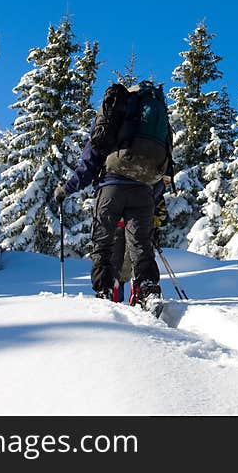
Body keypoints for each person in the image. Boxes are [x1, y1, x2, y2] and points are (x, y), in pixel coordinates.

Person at [54, 84, 169, 313]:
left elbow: (90, 160)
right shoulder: (156, 122)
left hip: (111, 187)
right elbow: (163, 169)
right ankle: (149, 291)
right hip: (144, 190)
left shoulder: (113, 113)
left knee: (103, 243)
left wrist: (66, 189)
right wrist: (152, 198)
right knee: (141, 244)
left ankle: (105, 290)